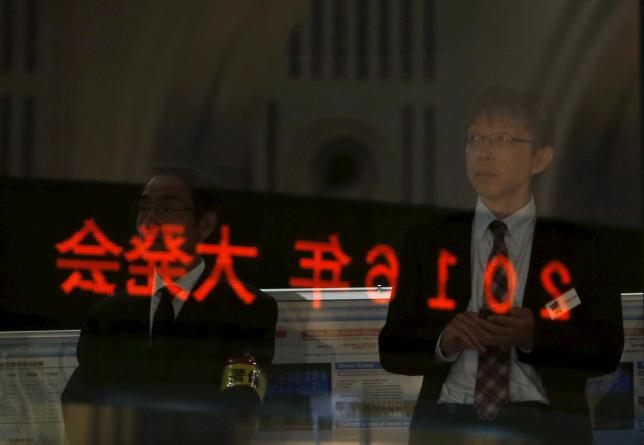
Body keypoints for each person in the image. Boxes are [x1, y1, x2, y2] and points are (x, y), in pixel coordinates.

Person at [378, 86, 624, 444]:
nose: (484, 151)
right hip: (448, 424)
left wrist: (534, 335)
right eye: (475, 138)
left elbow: (605, 351)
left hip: (544, 426)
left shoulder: (581, 248)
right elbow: (392, 348)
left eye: (504, 139)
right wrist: (444, 339)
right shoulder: (429, 241)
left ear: (540, 158)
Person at [61, 164, 277, 445]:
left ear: (205, 225)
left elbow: (241, 400)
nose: (150, 221)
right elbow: (79, 401)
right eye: (144, 208)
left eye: (167, 209)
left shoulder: (246, 309)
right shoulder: (107, 315)